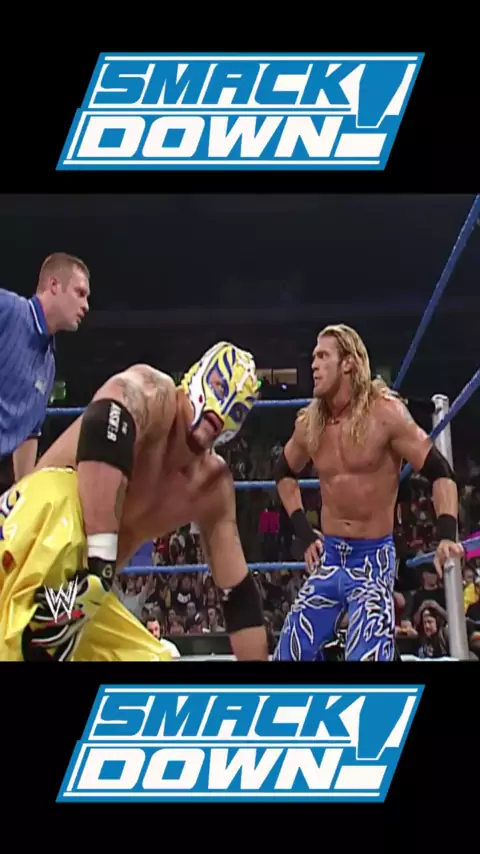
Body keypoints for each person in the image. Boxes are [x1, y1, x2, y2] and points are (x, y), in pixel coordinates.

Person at [0, 341, 269, 662]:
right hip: (23, 540)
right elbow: (109, 414)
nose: (224, 409)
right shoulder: (156, 395)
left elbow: (238, 596)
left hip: (81, 598)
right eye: (220, 386)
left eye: (238, 410)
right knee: (62, 493)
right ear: (197, 374)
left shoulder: (211, 486)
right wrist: (101, 566)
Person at [272, 324, 463, 662]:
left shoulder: (385, 414)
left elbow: (440, 471)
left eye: (322, 356)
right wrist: (304, 532)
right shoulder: (310, 424)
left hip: (372, 561)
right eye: (313, 357)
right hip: (331, 558)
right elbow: (283, 472)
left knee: (368, 658)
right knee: (289, 652)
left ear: (348, 362)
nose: (313, 365)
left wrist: (446, 534)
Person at [0, 252, 90, 490]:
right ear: (54, 285)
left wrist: (23, 494)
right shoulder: (10, 309)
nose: (86, 305)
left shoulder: (48, 365)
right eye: (80, 293)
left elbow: (29, 433)